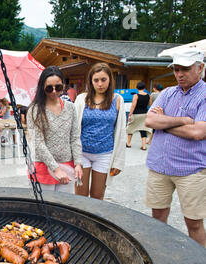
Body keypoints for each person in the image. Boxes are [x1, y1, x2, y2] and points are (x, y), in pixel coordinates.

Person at [144, 48, 206, 247]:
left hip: (191, 169)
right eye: (176, 69)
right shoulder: (168, 93)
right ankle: (160, 258)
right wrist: (183, 121)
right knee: (157, 217)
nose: (179, 74)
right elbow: (150, 120)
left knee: (194, 222)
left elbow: (198, 133)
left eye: (185, 69)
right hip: (159, 166)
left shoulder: (204, 96)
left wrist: (165, 125)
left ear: (200, 68)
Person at [74, 62, 126, 200]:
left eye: (103, 80)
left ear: (110, 80)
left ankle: (93, 222)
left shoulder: (117, 99)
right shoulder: (81, 99)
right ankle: (80, 222)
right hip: (82, 153)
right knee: (80, 195)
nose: (100, 84)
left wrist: (118, 162)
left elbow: (121, 132)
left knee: (97, 197)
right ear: (91, 81)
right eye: (96, 80)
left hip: (105, 154)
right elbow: (73, 128)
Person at [27, 66, 83, 194]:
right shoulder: (35, 110)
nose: (53, 91)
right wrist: (56, 169)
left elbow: (74, 137)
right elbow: (38, 143)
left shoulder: (70, 107)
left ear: (63, 85)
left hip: (67, 164)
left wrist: (78, 163)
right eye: (49, 88)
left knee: (65, 207)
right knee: (44, 209)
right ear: (42, 87)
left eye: (58, 87)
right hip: (43, 166)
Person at [126, 82, 152, 150]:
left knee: (131, 128)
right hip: (144, 114)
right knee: (143, 129)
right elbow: (149, 104)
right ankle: (144, 146)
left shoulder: (136, 95)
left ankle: (128, 143)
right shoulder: (148, 95)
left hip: (136, 114)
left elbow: (133, 106)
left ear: (137, 88)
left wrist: (130, 114)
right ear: (144, 88)